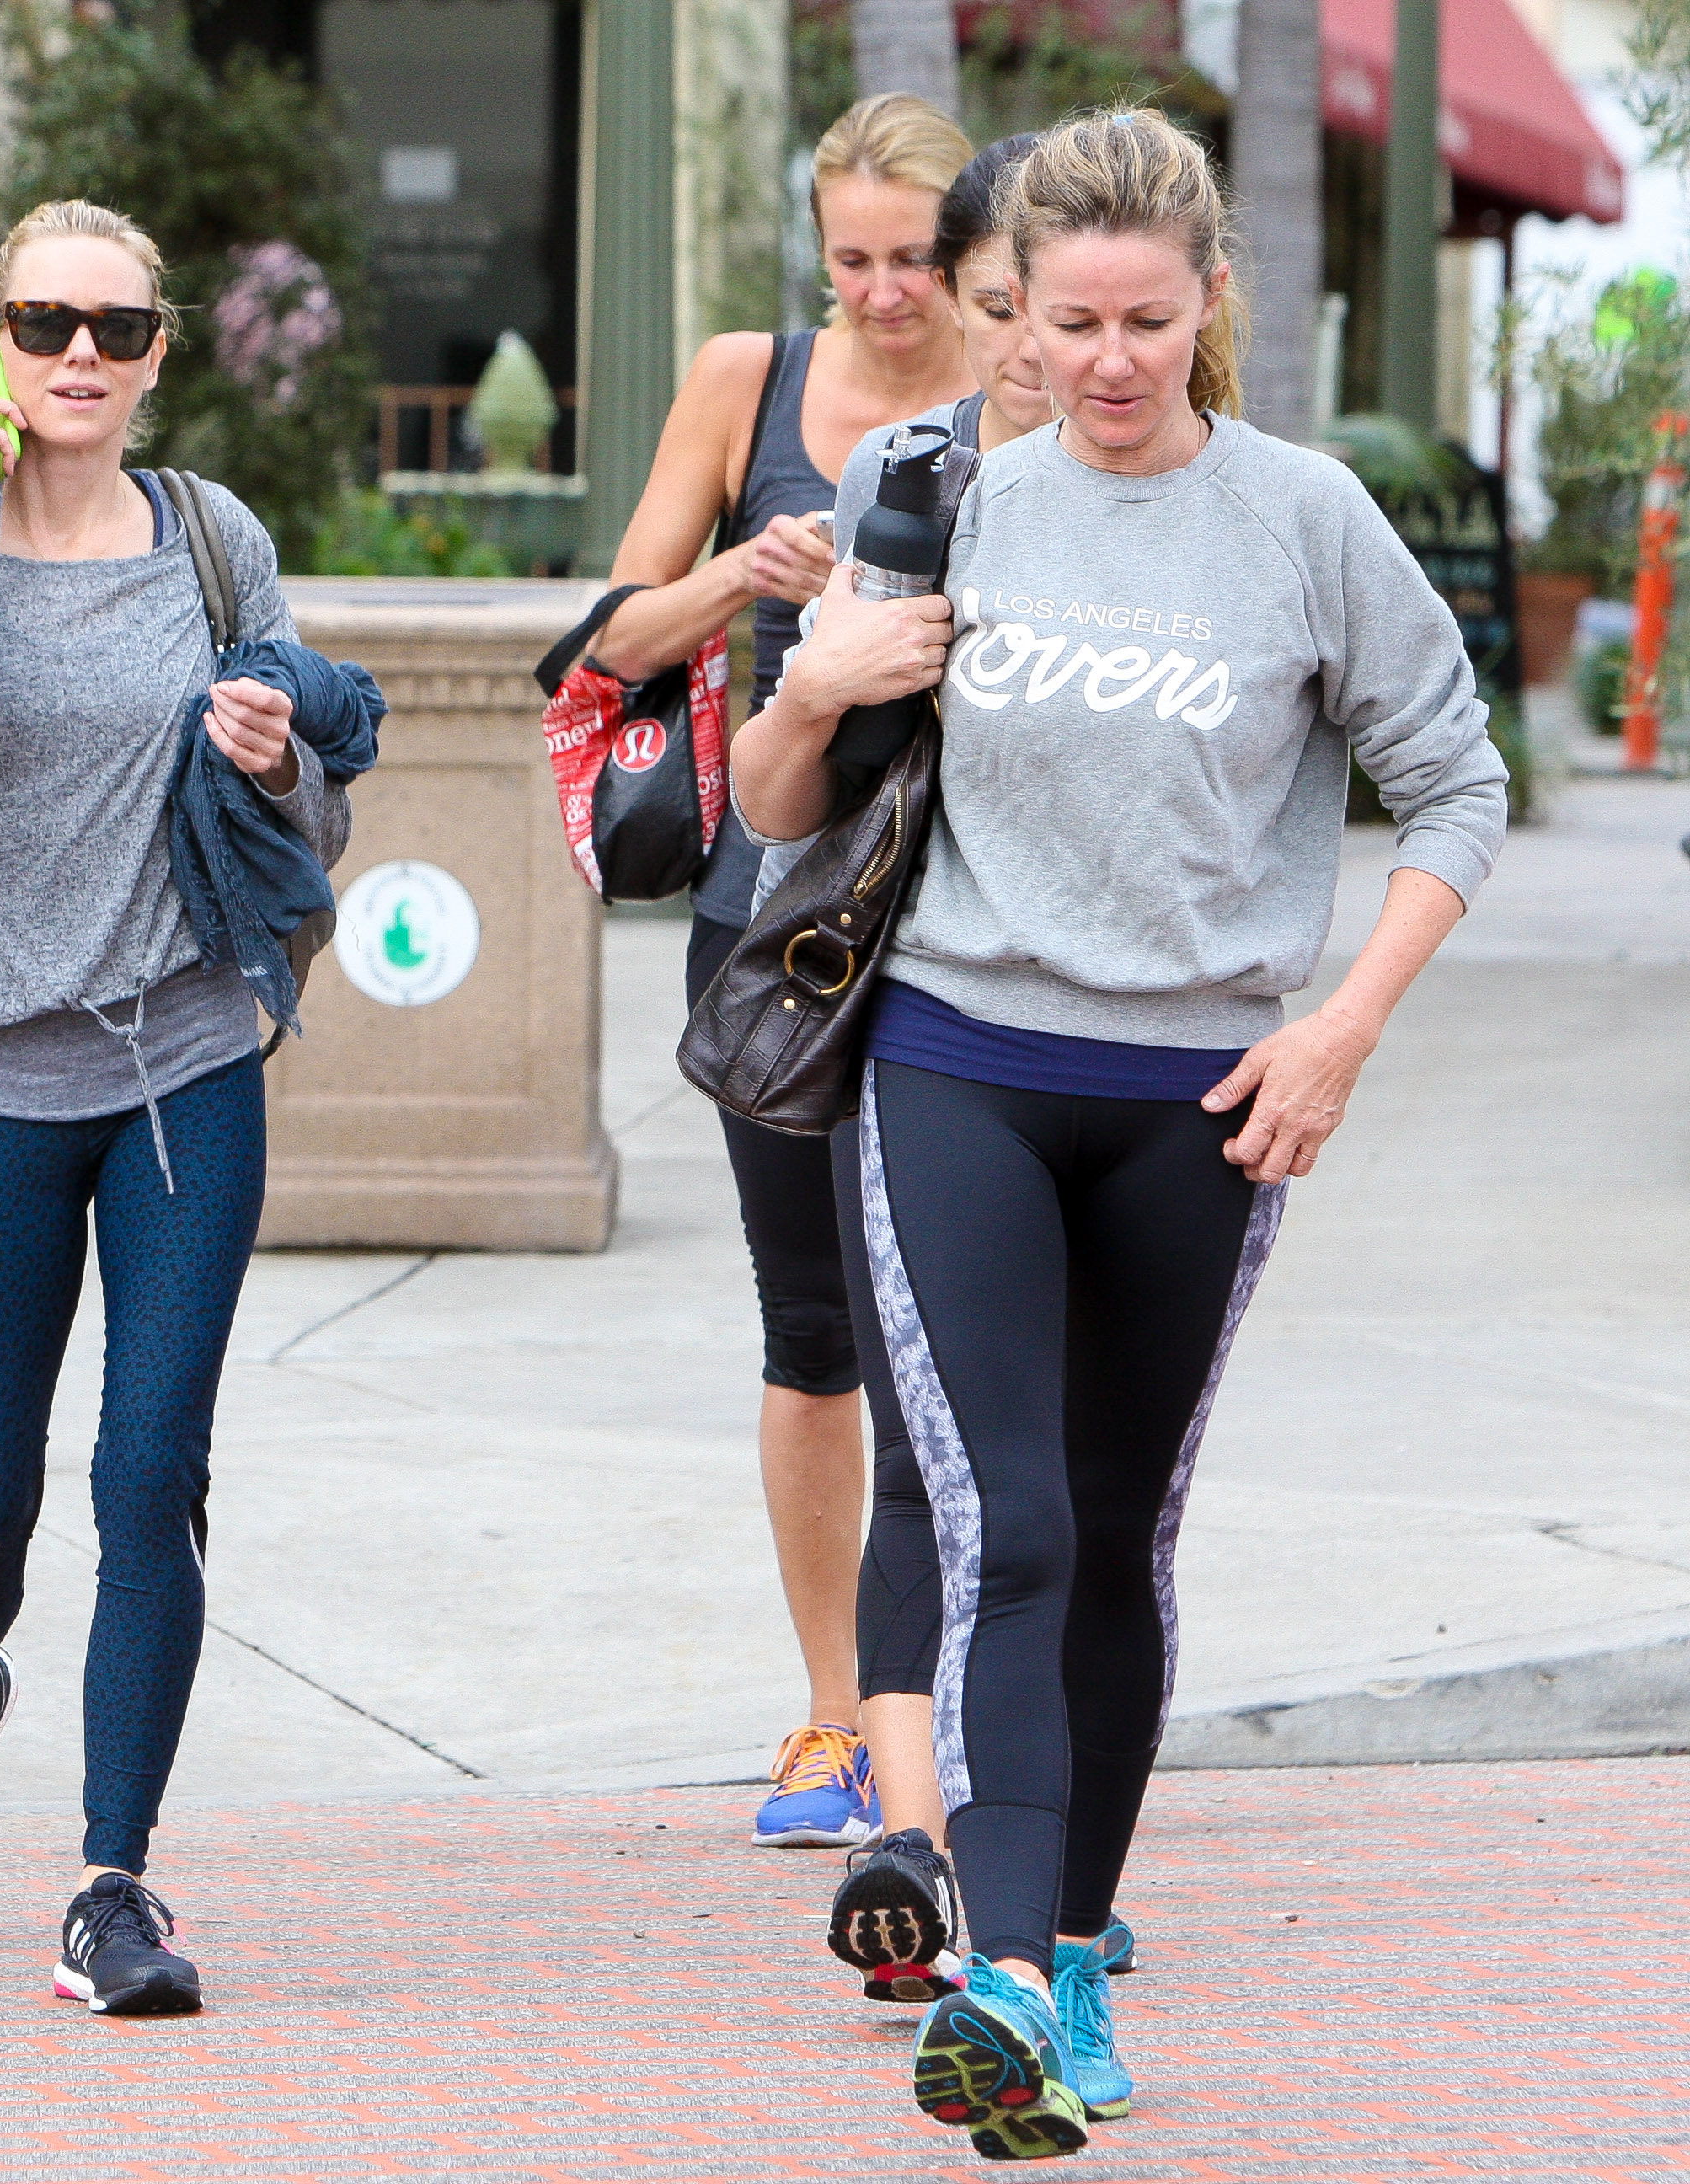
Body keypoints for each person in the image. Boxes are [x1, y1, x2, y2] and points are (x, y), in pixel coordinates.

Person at [733, 107, 1506, 2158]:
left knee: (1120, 1532)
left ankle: (1069, 1959)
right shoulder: (943, 501)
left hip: (1202, 1098)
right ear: (1019, 314)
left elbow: (1457, 786)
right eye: (1066, 322)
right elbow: (781, 808)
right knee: (1011, 1521)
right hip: (957, 1060)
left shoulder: (1304, 518)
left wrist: (1340, 1030)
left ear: (1210, 301)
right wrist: (813, 684)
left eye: (1145, 322)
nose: (1103, 360)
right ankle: (994, 1976)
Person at [0, 199, 366, 2017]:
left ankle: (112, 1884)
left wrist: (279, 762)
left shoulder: (213, 542)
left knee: (154, 1477)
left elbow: (319, 805)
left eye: (118, 329)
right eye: (45, 321)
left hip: (184, 1071)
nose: (80, 353)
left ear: (157, 355)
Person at [595, 91, 976, 1849]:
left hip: (968, 915)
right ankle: (834, 1716)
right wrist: (748, 573)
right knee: (813, 1329)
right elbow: (613, 633)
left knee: (956, 1342)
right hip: (775, 921)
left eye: (916, 260)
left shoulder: (1033, 377)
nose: (887, 295)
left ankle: (957, 1713)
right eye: (854, 261)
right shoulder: (750, 380)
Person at [769, 131, 1054, 2010]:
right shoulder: (908, 478)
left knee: (1067, 1490)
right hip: (919, 1021)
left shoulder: (1239, 505)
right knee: (919, 1440)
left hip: (1140, 1056)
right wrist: (827, 673)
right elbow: (785, 798)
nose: (1039, 345)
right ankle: (915, 1839)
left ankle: (1054, 1870)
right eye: (1004, 303)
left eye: (1072, 308)